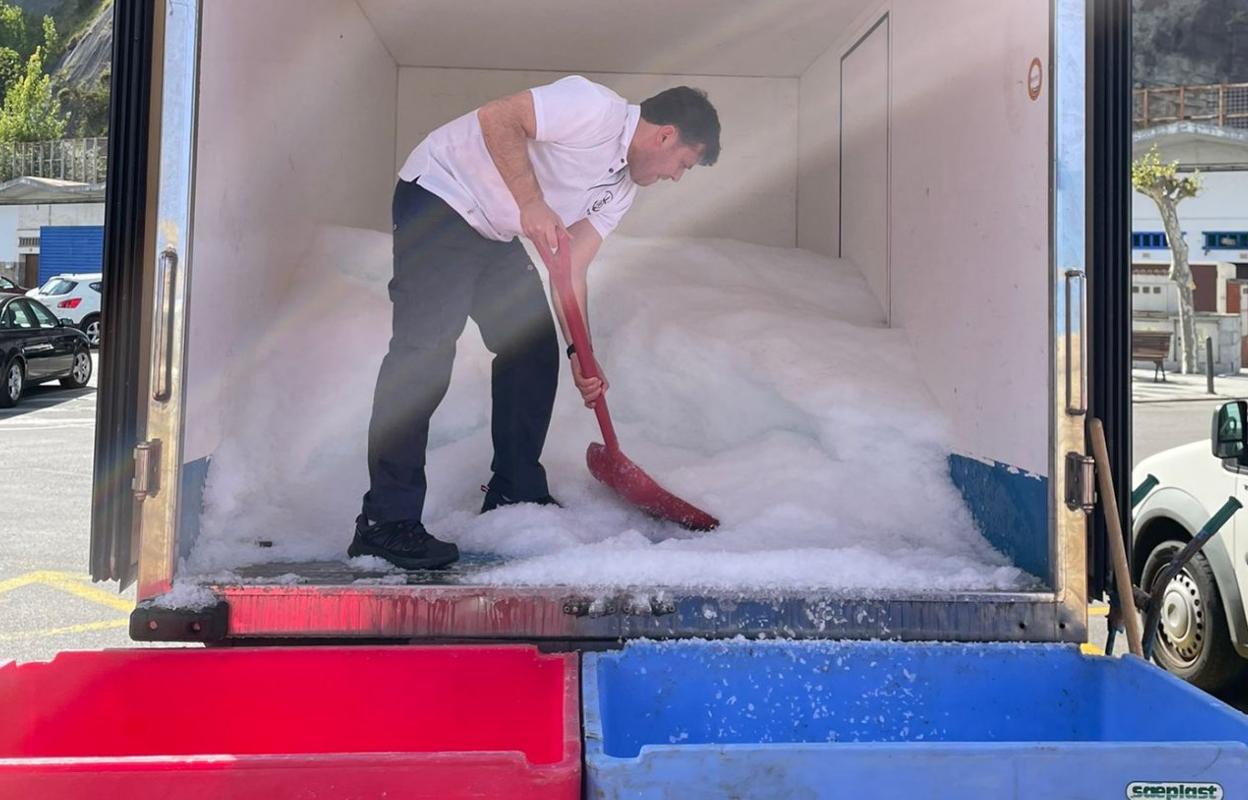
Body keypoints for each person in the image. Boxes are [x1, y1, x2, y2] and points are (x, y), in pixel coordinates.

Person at [348, 75, 721, 570]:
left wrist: (581, 354)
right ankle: (385, 522)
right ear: (666, 136)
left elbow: (570, 270)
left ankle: (514, 490)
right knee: (425, 352)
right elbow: (498, 117)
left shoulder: (620, 190)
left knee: (533, 348)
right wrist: (531, 203)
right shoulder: (593, 107)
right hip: (441, 196)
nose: (676, 177)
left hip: (491, 231)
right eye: (683, 165)